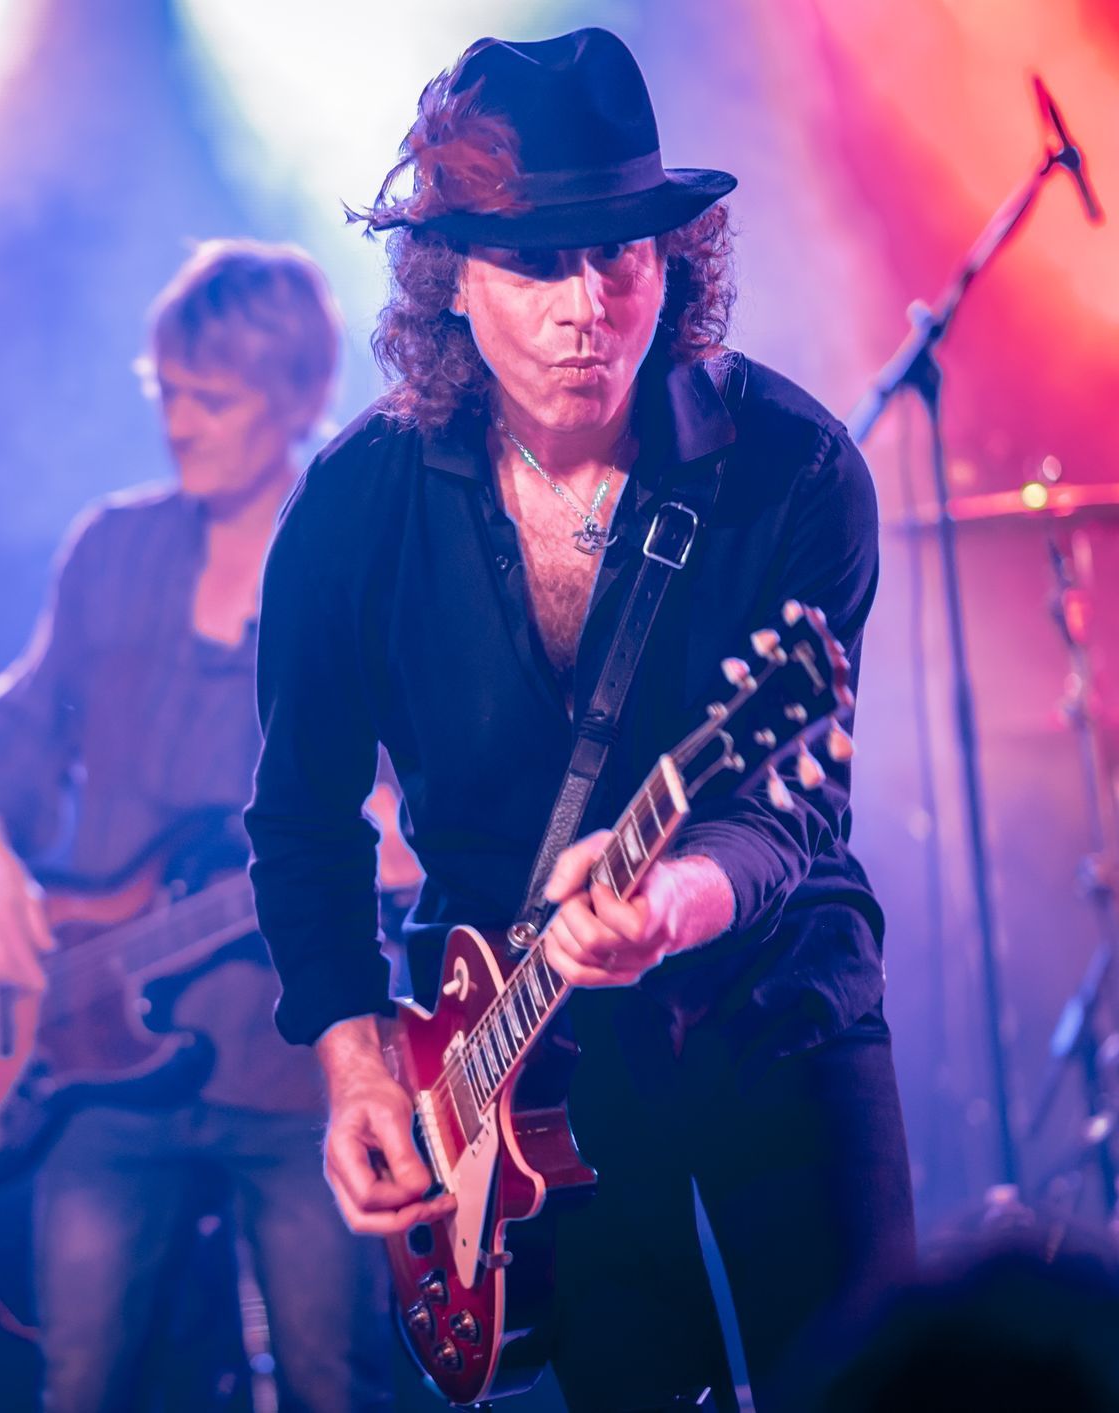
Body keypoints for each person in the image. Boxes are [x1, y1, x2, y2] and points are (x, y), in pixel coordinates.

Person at [244, 29, 915, 1413]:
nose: (587, 307)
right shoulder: (355, 510)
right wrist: (355, 1060)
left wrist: (675, 898)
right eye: (536, 264)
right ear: (449, 282)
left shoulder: (792, 473)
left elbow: (790, 797)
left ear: (676, 262)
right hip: (516, 1072)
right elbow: (299, 817)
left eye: (622, 256)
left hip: (770, 1010)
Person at [0, 240, 394, 1412]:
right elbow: (20, 734)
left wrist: (412, 837)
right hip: (90, 1059)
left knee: (333, 1389)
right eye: (168, 396)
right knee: (80, 1391)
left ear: (297, 401)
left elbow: (415, 809)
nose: (179, 426)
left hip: (300, 1073)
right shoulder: (111, 547)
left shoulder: (360, 565)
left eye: (214, 400)